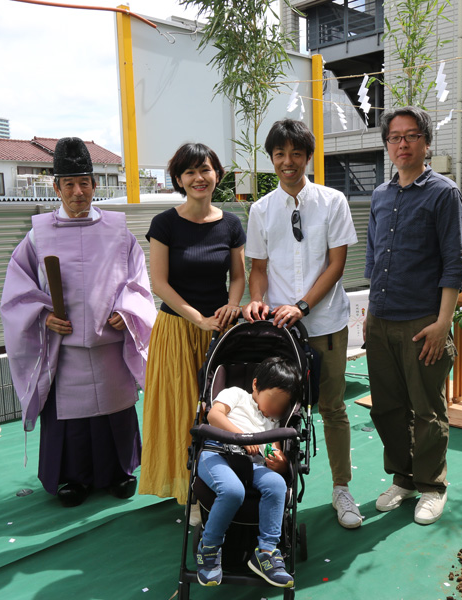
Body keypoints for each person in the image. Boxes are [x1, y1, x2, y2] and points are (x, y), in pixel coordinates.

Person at [0, 137, 157, 507]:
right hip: (65, 350)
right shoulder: (38, 235)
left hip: (109, 345)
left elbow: (138, 281)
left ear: (95, 184)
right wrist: (44, 315)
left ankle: (120, 471)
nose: (77, 191)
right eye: (68, 184)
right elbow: (16, 292)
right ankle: (71, 478)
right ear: (56, 187)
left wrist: (127, 310)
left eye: (84, 182)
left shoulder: (119, 231)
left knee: (115, 413)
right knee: (70, 421)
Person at [242, 118, 362, 529]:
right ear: (271, 159)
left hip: (325, 322)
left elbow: (337, 264)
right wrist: (257, 301)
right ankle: (278, 490)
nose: (287, 162)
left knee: (331, 407)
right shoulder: (261, 209)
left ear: (308, 157)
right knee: (279, 413)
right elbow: (258, 267)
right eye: (280, 154)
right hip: (278, 331)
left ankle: (342, 489)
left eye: (296, 154)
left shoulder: (333, 202)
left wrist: (303, 306)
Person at [364, 106, 462, 525]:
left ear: (425, 141)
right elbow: (372, 259)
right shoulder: (380, 195)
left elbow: (453, 264)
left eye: (410, 136)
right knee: (387, 407)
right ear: (387, 144)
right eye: (394, 137)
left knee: (427, 408)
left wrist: (443, 323)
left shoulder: (443, 193)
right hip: (381, 319)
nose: (401, 144)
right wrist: (369, 319)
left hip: (423, 321)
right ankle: (403, 479)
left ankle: (432, 485)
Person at [138, 143, 246, 505]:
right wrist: (198, 319)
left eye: (205, 169)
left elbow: (239, 277)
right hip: (178, 330)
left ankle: (217, 484)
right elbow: (160, 284)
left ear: (217, 174)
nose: (198, 178)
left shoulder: (231, 223)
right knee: (180, 407)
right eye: (189, 172)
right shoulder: (164, 224)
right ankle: (188, 491)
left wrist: (231, 308)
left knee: (217, 408)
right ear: (179, 180)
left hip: (219, 331)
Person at [195, 357, 299, 589]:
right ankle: (209, 548)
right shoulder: (236, 394)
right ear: (255, 385)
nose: (276, 409)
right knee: (232, 492)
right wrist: (241, 436)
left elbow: (276, 452)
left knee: (276, 484)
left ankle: (266, 552)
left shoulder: (274, 423)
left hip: (253, 465)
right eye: (273, 400)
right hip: (217, 455)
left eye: (283, 406)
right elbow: (214, 416)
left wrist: (280, 464)